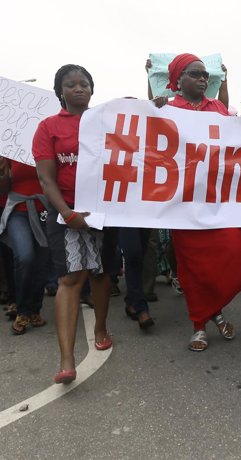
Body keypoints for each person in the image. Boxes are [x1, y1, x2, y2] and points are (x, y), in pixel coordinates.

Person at [153, 53, 241, 351]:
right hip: (184, 205)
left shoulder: (217, 108)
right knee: (194, 270)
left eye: (205, 75)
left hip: (218, 201)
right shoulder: (166, 109)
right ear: (178, 80)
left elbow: (239, 140)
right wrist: (152, 112)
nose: (203, 79)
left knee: (237, 262)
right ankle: (200, 325)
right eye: (195, 74)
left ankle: (215, 309)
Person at [33, 64, 118, 384]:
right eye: (71, 85)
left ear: (92, 90)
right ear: (61, 92)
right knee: (70, 278)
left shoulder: (108, 123)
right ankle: (66, 360)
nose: (79, 89)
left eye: (84, 84)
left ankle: (100, 327)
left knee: (100, 274)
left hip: (105, 212)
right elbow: (45, 178)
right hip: (65, 212)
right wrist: (67, 213)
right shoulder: (48, 127)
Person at [0, 158, 51, 334]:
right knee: (24, 257)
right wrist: (2, 174)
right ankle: (22, 312)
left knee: (41, 263)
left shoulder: (46, 144)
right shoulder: (11, 146)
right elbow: (3, 190)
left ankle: (35, 310)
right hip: (18, 212)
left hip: (44, 210)